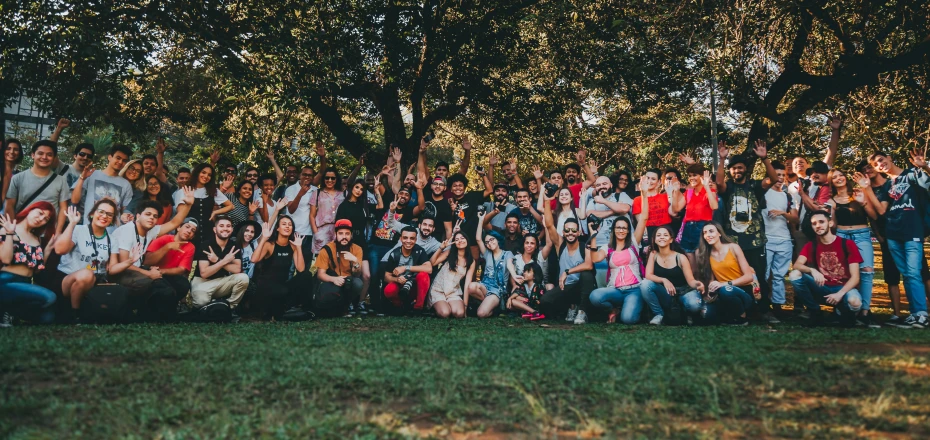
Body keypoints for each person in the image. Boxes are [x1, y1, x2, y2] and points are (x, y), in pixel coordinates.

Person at [714, 140, 779, 323]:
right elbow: (718, 183)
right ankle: (744, 310)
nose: (737, 171)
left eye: (740, 167)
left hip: (755, 242)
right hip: (734, 243)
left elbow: (773, 179)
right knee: (737, 276)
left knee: (759, 276)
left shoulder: (755, 186)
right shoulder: (728, 188)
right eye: (733, 168)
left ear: (746, 169)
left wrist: (764, 158)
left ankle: (764, 310)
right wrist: (722, 159)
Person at [866, 149, 930, 328]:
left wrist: (924, 166)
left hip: (912, 232)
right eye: (876, 164)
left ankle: (921, 314)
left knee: (913, 273)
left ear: (889, 157)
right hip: (893, 234)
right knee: (907, 276)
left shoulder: (912, 174)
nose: (880, 165)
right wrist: (866, 188)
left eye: (881, 160)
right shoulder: (887, 185)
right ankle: (915, 314)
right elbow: (881, 210)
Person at [110, 189, 193, 318]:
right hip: (123, 273)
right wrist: (149, 273)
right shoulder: (126, 231)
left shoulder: (150, 231)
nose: (151, 218)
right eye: (148, 214)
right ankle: (144, 313)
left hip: (138, 269)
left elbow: (174, 223)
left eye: (155, 216)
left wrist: (188, 205)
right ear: (138, 216)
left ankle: (152, 312)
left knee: (181, 284)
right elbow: (123, 264)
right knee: (162, 288)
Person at [55, 202, 141, 321]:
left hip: (94, 281)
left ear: (112, 220)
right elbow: (60, 250)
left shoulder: (112, 240)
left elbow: (111, 269)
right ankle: (75, 314)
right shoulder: (79, 230)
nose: (105, 216)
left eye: (109, 215)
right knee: (87, 274)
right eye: (101, 212)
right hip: (68, 279)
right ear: (92, 214)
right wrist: (72, 223)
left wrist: (130, 261)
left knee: (90, 276)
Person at [789, 210, 863, 327]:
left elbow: (855, 278)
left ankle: (843, 312)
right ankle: (815, 312)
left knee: (855, 302)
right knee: (795, 274)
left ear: (830, 223)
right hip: (822, 287)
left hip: (844, 289)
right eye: (814, 223)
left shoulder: (847, 244)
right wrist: (812, 270)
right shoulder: (811, 245)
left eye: (821, 222)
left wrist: (840, 294)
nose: (818, 226)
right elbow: (797, 265)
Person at [824, 169, 878, 327]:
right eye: (834, 177)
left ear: (845, 177)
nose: (838, 178)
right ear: (832, 182)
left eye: (840, 175)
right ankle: (844, 309)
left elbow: (874, 216)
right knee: (844, 274)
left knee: (867, 271)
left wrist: (863, 203)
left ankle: (865, 312)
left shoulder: (858, 193)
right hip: (843, 236)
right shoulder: (832, 201)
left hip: (862, 235)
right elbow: (832, 226)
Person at [539, 198, 596, 324]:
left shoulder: (584, 246)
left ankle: (582, 311)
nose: (571, 233)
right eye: (567, 230)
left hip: (581, 287)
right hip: (566, 288)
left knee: (587, 275)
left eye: (574, 230)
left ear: (579, 232)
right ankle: (571, 307)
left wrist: (567, 272)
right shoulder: (561, 245)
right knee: (545, 301)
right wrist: (547, 201)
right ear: (563, 232)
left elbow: (589, 265)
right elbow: (549, 225)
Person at [0, 202, 58, 326]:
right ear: (30, 210)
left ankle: (10, 312)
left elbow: (36, 271)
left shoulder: (37, 238)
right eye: (40, 213)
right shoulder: (8, 229)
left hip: (26, 283)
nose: (41, 219)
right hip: (7, 281)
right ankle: (6, 312)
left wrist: (47, 250)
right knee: (50, 297)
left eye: (46, 219)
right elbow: (5, 259)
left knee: (47, 318)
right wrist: (9, 233)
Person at [587, 213, 648, 324]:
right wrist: (593, 236)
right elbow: (595, 259)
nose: (621, 230)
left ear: (628, 230)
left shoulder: (634, 243)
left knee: (628, 319)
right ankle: (613, 310)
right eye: (618, 227)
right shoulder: (608, 247)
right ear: (613, 229)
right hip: (615, 290)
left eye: (624, 228)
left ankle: (630, 306)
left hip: (634, 289)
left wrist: (644, 195)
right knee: (595, 296)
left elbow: (643, 219)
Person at [640, 225, 707, 325]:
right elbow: (648, 275)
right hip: (666, 293)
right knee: (645, 284)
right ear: (654, 240)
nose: (662, 237)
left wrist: (697, 284)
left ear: (671, 240)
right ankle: (659, 314)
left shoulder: (680, 257)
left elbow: (690, 281)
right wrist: (664, 280)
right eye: (659, 235)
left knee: (694, 306)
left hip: (684, 292)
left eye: (665, 235)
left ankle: (687, 313)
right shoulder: (653, 254)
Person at [694, 222, 758, 326]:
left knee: (727, 290)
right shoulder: (707, 253)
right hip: (722, 292)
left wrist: (724, 284)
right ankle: (730, 316)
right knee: (708, 317)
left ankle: (742, 317)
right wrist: (710, 292)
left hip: (742, 290)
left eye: (711, 231)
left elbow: (749, 277)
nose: (708, 235)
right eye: (705, 233)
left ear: (719, 233)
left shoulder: (733, 247)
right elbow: (711, 279)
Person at [251, 215, 311, 320]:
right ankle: (278, 309)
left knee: (307, 275)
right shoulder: (270, 245)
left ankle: (301, 308)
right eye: (284, 224)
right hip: (266, 286)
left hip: (283, 285)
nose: (287, 227)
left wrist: (298, 247)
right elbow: (254, 259)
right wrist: (264, 239)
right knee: (281, 292)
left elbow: (301, 269)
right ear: (277, 228)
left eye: (290, 225)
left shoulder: (293, 245)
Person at [4, 140, 69, 234]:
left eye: (49, 155)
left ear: (54, 158)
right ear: (33, 155)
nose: (44, 157)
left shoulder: (61, 180)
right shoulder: (18, 178)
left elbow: (63, 208)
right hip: (21, 231)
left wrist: (58, 232)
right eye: (40, 153)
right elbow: (9, 206)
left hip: (47, 233)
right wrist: (12, 229)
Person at [761, 161, 799, 320]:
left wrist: (782, 213)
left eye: (783, 175)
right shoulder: (762, 193)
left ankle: (778, 306)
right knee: (764, 274)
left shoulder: (788, 195)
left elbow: (795, 218)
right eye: (777, 175)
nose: (781, 178)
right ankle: (763, 306)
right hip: (766, 239)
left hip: (784, 239)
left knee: (779, 275)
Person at [190, 215, 249, 311]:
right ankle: (214, 303)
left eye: (228, 226)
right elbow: (204, 273)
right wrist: (224, 261)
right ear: (214, 229)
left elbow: (237, 270)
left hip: (222, 281)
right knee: (201, 303)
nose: (225, 228)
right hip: (203, 282)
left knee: (243, 278)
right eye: (221, 226)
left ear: (232, 229)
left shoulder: (234, 246)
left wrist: (217, 260)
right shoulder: (206, 245)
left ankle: (229, 307)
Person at [142, 218, 199, 312]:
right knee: (166, 290)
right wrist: (167, 247)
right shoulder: (164, 238)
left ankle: (171, 307)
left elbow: (182, 269)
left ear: (192, 236)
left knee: (184, 284)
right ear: (178, 228)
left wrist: (162, 271)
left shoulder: (190, 247)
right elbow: (147, 261)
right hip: (151, 274)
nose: (189, 231)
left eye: (193, 231)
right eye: (187, 227)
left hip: (167, 275)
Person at [71, 144, 135, 225]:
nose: (120, 162)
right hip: (89, 229)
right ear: (109, 157)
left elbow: (124, 210)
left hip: (113, 232)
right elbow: (74, 200)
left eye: (124, 160)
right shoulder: (92, 174)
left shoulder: (126, 184)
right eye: (118, 158)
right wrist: (82, 178)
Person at [313, 219, 364, 316]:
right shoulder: (327, 249)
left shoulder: (357, 249)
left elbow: (357, 274)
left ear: (351, 235)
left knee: (358, 283)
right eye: (340, 233)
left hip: (349, 281)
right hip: (333, 281)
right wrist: (333, 279)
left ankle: (347, 305)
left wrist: (355, 261)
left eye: (347, 234)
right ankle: (336, 308)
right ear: (335, 235)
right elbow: (320, 274)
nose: (344, 237)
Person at [174, 163, 233, 245]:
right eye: (203, 172)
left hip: (208, 232)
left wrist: (215, 212)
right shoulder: (184, 191)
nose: (206, 176)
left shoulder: (213, 191)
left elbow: (231, 206)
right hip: (189, 233)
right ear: (197, 172)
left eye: (209, 175)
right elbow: (180, 216)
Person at [468, 214, 514, 318]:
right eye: (487, 242)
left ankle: (493, 308)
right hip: (485, 286)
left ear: (497, 239)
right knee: (471, 287)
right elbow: (478, 239)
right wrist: (480, 220)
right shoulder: (487, 254)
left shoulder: (507, 254)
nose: (489, 243)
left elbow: (510, 266)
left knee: (481, 314)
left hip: (497, 290)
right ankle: (488, 303)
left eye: (492, 240)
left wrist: (515, 275)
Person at [669, 163, 717, 259]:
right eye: (690, 176)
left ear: (702, 176)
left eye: (695, 175)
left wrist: (707, 186)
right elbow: (676, 209)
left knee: (701, 260)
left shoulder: (709, 191)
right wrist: (675, 191)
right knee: (689, 259)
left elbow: (714, 206)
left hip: (702, 227)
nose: (691, 178)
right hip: (688, 228)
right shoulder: (689, 192)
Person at [381, 226, 433, 313]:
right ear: (400, 239)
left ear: (416, 240)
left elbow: (429, 269)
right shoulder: (394, 254)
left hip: (415, 286)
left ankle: (418, 308)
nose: (408, 241)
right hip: (400, 287)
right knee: (389, 290)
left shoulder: (419, 251)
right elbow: (386, 277)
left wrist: (405, 267)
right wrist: (397, 279)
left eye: (412, 238)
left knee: (423, 276)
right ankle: (400, 306)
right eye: (405, 238)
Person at [428, 231, 475, 319]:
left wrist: (465, 306)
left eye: (462, 238)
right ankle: (437, 307)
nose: (460, 241)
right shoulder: (450, 253)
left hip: (453, 292)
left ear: (467, 240)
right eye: (457, 239)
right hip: (438, 290)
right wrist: (441, 248)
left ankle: (449, 305)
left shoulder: (471, 261)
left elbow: (467, 285)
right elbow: (432, 263)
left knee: (459, 313)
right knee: (445, 313)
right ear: (454, 243)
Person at [310, 168, 346, 255]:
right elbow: (311, 215)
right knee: (321, 260)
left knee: (338, 259)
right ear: (323, 179)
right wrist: (316, 233)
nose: (330, 180)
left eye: (333, 178)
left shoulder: (343, 194)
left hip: (339, 231)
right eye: (327, 178)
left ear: (336, 179)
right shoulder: (317, 193)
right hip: (322, 230)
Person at [1, 138, 24, 213]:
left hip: (9, 213)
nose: (12, 152)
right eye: (8, 148)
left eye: (16, 149)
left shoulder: (18, 175)